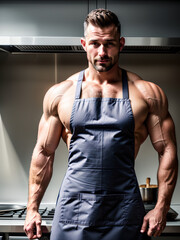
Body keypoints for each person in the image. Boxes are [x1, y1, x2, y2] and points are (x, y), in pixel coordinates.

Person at [24, 8, 178, 240]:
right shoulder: (61, 94)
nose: (102, 51)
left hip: (124, 212)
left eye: (110, 44)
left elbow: (167, 150)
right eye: (95, 43)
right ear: (84, 44)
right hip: (72, 211)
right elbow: (44, 152)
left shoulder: (146, 93)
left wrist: (161, 208)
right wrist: (32, 209)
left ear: (121, 44)